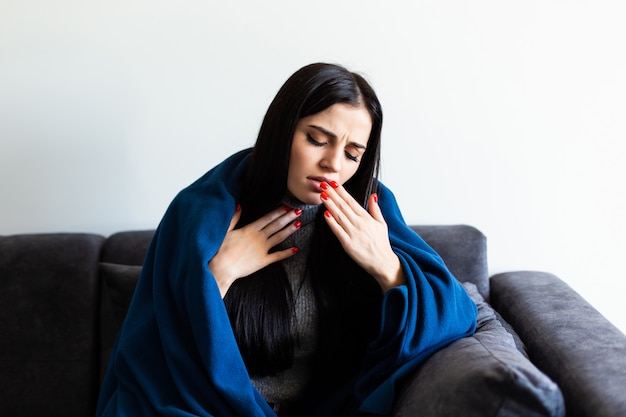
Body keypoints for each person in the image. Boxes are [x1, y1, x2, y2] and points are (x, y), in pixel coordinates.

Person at [96, 63, 478, 417]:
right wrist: (217, 276)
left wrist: (387, 267)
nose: (333, 164)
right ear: (282, 130)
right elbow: (152, 351)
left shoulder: (373, 212)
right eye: (317, 139)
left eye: (351, 153)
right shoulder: (201, 210)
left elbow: (457, 314)